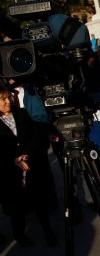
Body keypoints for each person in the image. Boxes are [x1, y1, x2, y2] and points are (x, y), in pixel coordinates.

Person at [0, 86, 57, 247]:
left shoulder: (22, 114)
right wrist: (14, 160)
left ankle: (48, 231)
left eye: (8, 98)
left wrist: (28, 155)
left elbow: (35, 136)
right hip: (11, 174)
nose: (7, 102)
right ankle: (19, 235)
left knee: (39, 203)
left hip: (30, 167)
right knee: (17, 210)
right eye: (2, 99)